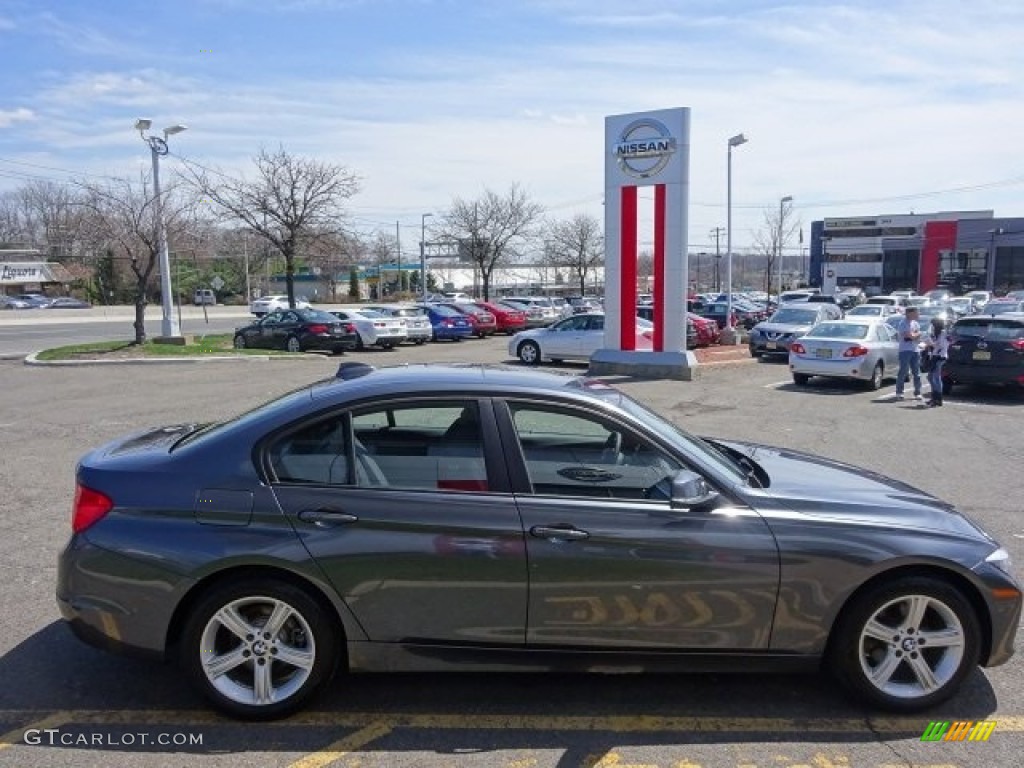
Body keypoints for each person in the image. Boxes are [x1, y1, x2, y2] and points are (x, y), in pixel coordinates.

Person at [894, 307, 923, 401]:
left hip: (915, 350)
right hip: (905, 350)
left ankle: (918, 393)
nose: (917, 315)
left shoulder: (916, 324)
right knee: (903, 372)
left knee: (917, 373)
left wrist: (915, 335)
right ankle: (899, 392)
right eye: (915, 313)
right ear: (909, 313)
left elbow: (917, 337)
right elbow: (909, 336)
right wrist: (915, 335)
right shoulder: (903, 323)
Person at [925, 315, 950, 407]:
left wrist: (931, 343)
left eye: (933, 324)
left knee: (935, 377)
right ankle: (934, 397)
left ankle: (937, 399)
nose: (931, 326)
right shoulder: (936, 333)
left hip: (940, 357)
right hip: (935, 356)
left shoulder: (943, 333)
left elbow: (942, 346)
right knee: (931, 377)